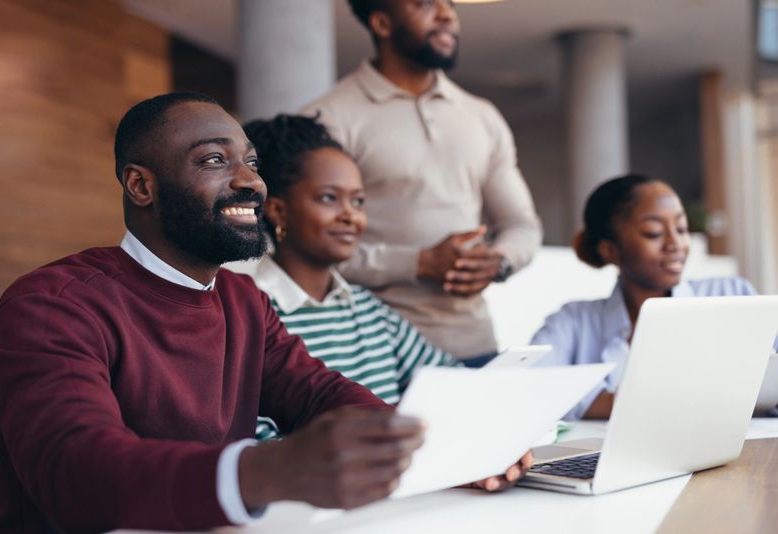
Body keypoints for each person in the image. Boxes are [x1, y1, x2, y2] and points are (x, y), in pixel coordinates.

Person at [0, 92, 428, 533]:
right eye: (214, 160)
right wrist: (265, 471)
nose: (251, 182)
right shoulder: (51, 304)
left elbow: (318, 394)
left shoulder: (244, 301)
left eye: (252, 164)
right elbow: (77, 474)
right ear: (141, 186)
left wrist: (440, 451)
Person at [302, 0, 542, 366]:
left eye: (450, 4)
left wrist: (499, 262)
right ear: (382, 22)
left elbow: (521, 225)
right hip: (373, 353)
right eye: (426, 4)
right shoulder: (329, 118)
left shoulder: (482, 116)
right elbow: (302, 246)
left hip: (474, 344)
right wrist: (417, 263)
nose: (448, 14)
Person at [241, 114, 460, 438]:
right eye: (329, 198)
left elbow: (450, 384)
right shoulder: (247, 313)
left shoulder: (369, 310)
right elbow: (252, 435)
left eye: (357, 201)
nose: (350, 216)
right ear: (278, 211)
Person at [531, 174, 763, 420]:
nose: (676, 243)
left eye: (682, 229)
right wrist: (647, 404)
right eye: (654, 233)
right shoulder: (574, 321)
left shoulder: (731, 295)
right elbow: (528, 386)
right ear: (610, 250)